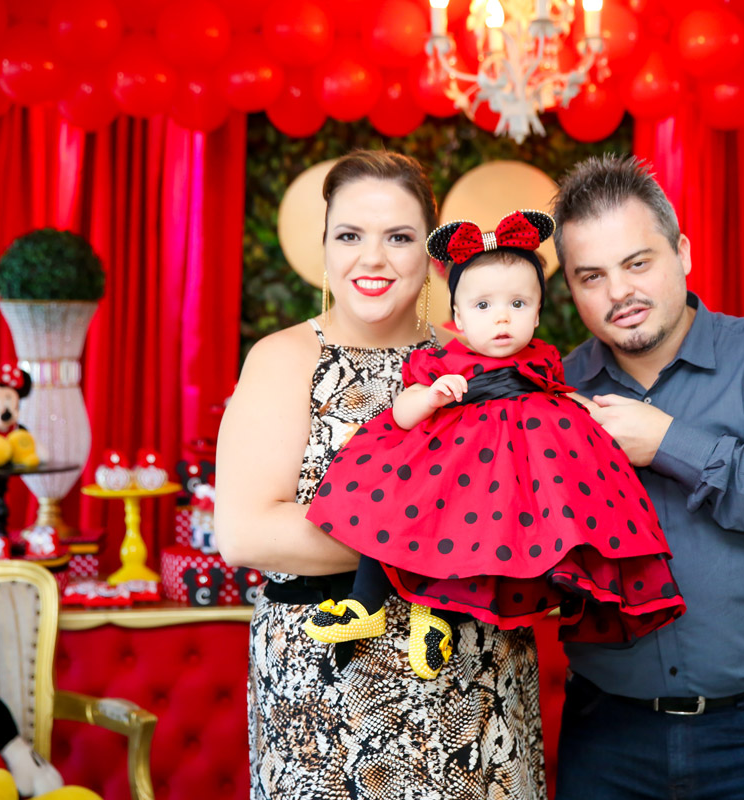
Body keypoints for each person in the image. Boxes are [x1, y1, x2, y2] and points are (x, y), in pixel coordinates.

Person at [215, 151, 545, 800]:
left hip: (475, 684)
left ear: (430, 254)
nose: (373, 258)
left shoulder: (473, 359)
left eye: (398, 237)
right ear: (325, 247)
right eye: (349, 236)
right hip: (326, 696)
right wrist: (448, 535)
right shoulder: (284, 358)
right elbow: (247, 531)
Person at [550, 154, 744, 799]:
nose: (619, 293)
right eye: (592, 276)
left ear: (683, 253)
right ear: (572, 289)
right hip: (606, 736)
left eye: (638, 263)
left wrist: (668, 443)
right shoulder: (556, 392)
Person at [302, 210, 685, 680]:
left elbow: (559, 395)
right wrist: (432, 396)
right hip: (444, 461)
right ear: (459, 317)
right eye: (483, 306)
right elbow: (401, 413)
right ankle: (366, 604)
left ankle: (435, 617)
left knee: (486, 536)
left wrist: (588, 415)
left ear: (538, 313)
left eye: (518, 304)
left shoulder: (541, 362)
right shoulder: (443, 361)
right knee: (394, 510)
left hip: (502, 477)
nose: (502, 317)